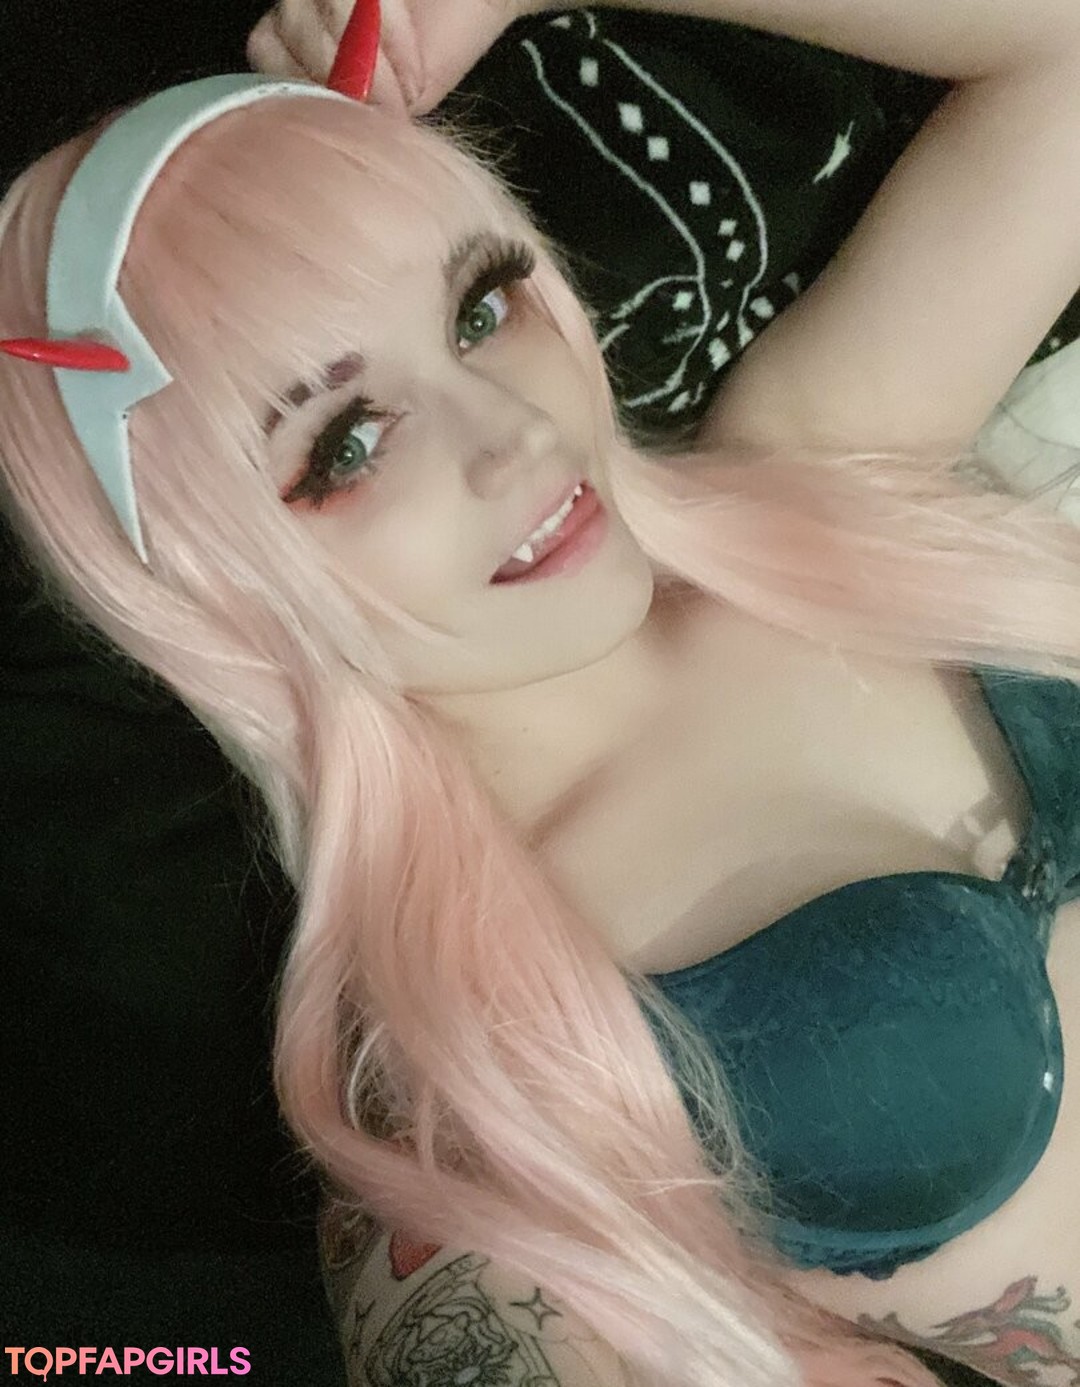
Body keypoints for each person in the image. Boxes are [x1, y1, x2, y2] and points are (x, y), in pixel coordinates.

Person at [1, 4, 1079, 1386]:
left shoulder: (815, 468)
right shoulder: (483, 1076)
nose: (511, 433)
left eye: (480, 309)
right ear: (204, 577)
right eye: (348, 442)